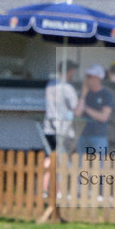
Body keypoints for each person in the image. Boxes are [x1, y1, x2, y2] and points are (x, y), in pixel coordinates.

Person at [42, 60, 79, 195]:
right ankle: (60, 191)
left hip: (49, 127)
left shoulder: (50, 85)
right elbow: (77, 110)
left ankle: (45, 189)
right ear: (69, 71)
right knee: (63, 161)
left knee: (50, 158)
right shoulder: (68, 89)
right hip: (63, 130)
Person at [75, 64, 113, 157]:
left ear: (97, 78)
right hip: (82, 135)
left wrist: (86, 109)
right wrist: (83, 95)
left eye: (89, 76)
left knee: (99, 168)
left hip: (98, 136)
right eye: (86, 76)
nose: (86, 79)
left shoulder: (106, 94)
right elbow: (77, 113)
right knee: (81, 166)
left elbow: (103, 117)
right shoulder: (84, 93)